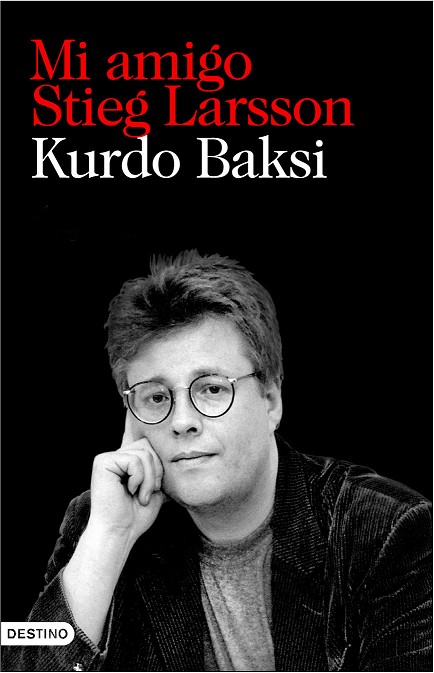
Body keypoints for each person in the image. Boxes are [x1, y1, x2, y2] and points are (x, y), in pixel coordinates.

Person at [2, 250, 432, 672]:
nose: (182, 422)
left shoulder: (389, 530)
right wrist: (109, 537)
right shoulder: (98, 522)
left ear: (271, 400)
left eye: (211, 389)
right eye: (156, 397)